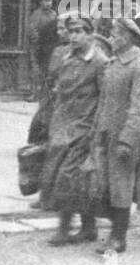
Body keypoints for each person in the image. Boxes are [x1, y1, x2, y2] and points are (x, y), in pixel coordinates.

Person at [89, 18, 140, 254]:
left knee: (121, 186)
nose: (111, 38)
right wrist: (97, 131)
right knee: (106, 184)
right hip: (108, 133)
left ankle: (119, 237)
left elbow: (139, 109)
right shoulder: (113, 64)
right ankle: (113, 232)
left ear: (127, 38)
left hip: (126, 138)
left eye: (116, 34)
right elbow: (104, 102)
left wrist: (127, 140)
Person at [40, 16, 107, 245]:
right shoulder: (66, 58)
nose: (74, 36)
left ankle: (64, 228)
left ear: (91, 34)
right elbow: (58, 93)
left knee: (67, 177)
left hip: (84, 129)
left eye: (79, 31)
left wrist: (95, 132)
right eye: (71, 32)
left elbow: (104, 100)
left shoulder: (99, 61)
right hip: (62, 127)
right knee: (72, 178)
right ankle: (89, 228)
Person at [26, 0, 59, 100]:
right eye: (46, 1)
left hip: (50, 47)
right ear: (40, 2)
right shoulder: (36, 14)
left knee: (49, 70)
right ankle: (34, 92)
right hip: (38, 46)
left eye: (50, 1)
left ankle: (46, 93)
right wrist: (38, 42)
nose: (49, 3)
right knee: (36, 70)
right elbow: (32, 30)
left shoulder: (54, 15)